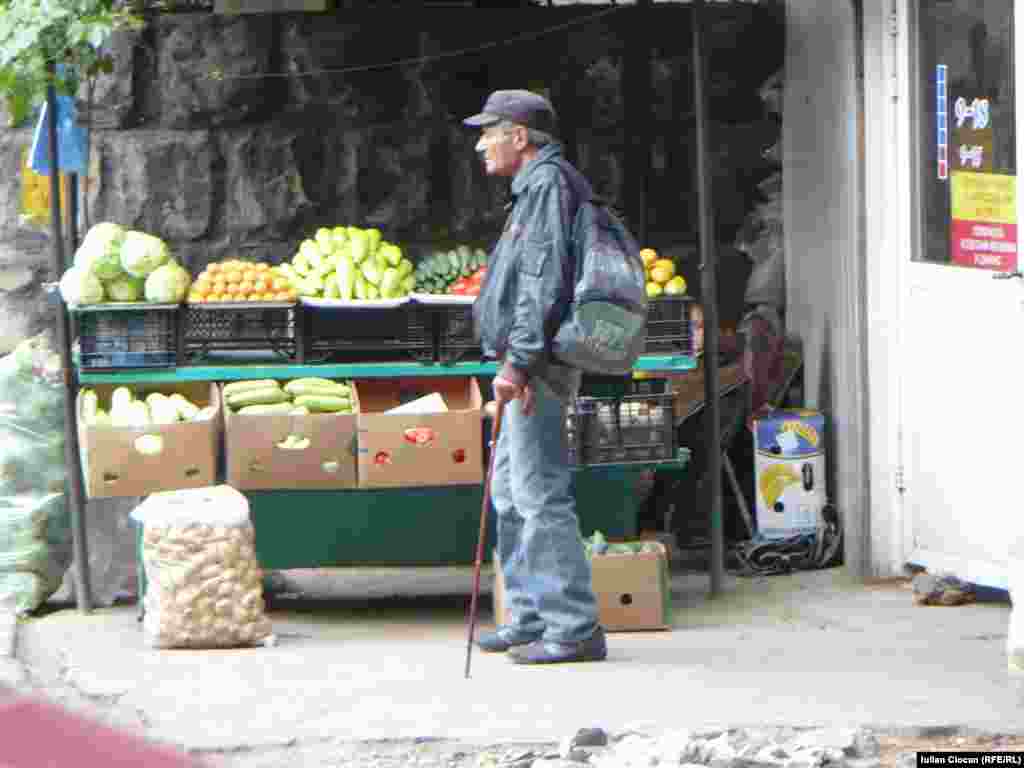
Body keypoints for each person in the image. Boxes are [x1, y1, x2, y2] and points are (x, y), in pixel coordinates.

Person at [464, 90, 607, 665]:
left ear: (518, 137)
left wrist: (518, 363)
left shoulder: (547, 185)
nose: (481, 144)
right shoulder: (533, 188)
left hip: (537, 369)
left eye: (489, 132)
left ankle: (573, 626)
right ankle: (528, 616)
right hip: (526, 364)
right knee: (509, 493)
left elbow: (541, 285)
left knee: (538, 493)